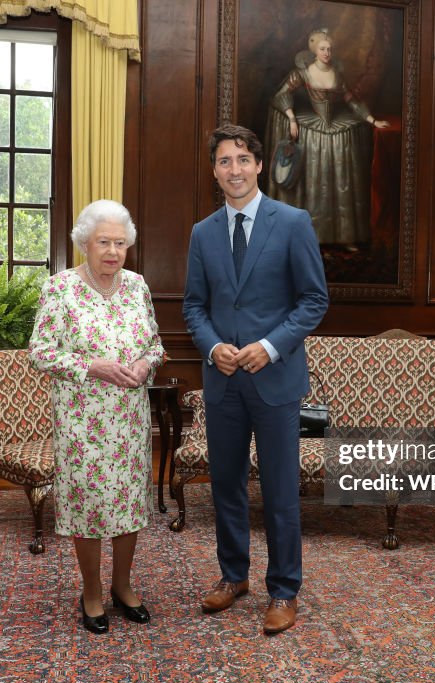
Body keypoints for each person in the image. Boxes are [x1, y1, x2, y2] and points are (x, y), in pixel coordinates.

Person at [183, 124, 329, 634]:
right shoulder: (203, 233)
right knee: (225, 485)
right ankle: (232, 577)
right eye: (225, 161)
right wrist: (212, 346)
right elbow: (195, 307)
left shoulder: (292, 222)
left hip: (276, 380)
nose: (235, 169)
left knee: (281, 490)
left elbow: (314, 300)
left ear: (260, 165)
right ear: (214, 171)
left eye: (243, 159)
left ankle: (284, 590)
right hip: (222, 382)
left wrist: (268, 347)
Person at [30, 199, 164, 635]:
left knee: (127, 505)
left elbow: (156, 343)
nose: (112, 251)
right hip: (81, 421)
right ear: (84, 243)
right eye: (104, 242)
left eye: (120, 243)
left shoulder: (138, 285)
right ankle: (91, 591)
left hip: (129, 422)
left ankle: (123, 586)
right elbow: (41, 351)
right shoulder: (60, 288)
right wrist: (92, 366)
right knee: (87, 506)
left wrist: (146, 363)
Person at [266, 28, 390, 248]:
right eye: (323, 49)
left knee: (337, 180)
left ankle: (343, 236)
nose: (327, 53)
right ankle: (306, 237)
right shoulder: (303, 72)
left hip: (333, 128)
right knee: (313, 181)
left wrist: (372, 120)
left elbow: (352, 101)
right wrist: (291, 117)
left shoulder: (337, 74)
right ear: (314, 50)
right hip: (312, 130)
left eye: (329, 49)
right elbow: (281, 94)